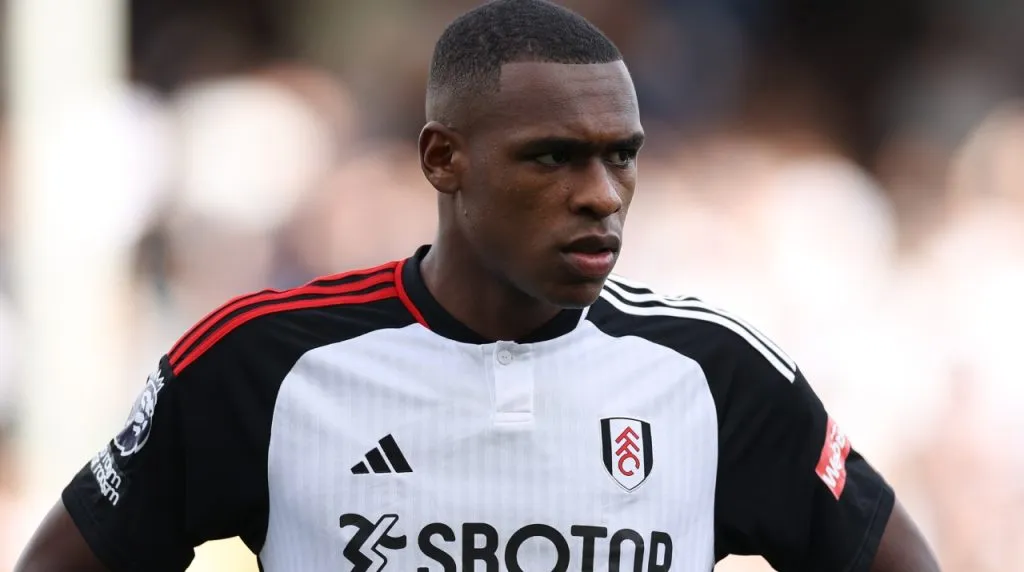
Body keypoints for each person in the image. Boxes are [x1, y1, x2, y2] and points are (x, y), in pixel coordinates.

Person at [16, 1, 939, 571]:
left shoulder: (716, 374)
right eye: (553, 158)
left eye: (623, 158)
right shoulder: (264, 361)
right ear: (443, 159)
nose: (602, 195)